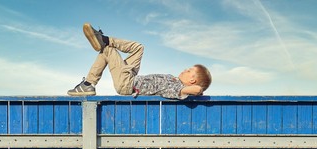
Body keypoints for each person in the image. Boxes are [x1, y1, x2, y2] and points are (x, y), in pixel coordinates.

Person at [67, 23, 212, 100]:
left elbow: (193, 90)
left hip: (127, 84)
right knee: (139, 47)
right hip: (132, 77)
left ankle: (88, 84)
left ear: (192, 80)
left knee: (108, 51)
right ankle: (104, 39)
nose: (185, 69)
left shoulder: (176, 88)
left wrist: (199, 90)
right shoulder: (174, 80)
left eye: (189, 71)